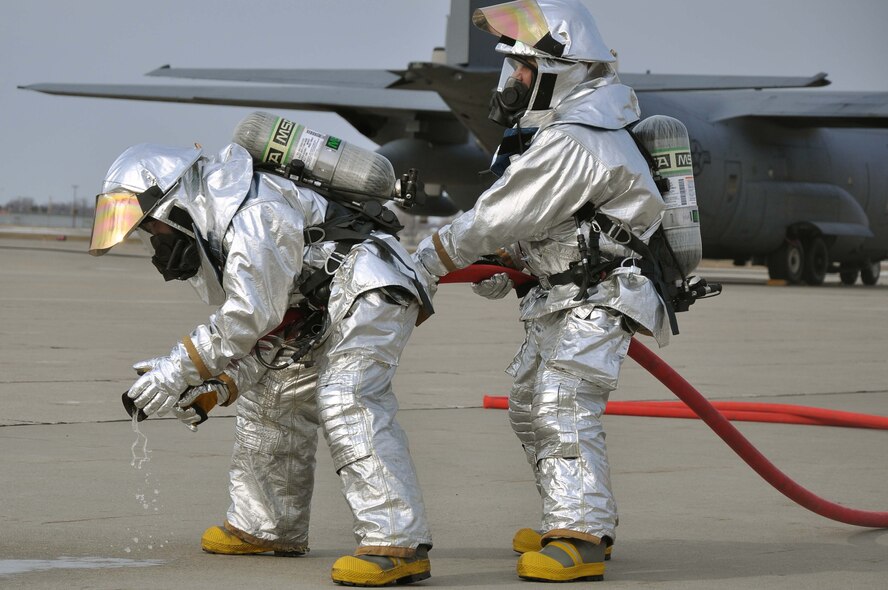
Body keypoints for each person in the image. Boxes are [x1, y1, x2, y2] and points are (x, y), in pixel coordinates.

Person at [89, 141, 435, 586]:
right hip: (318, 301)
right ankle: (267, 525)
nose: (154, 239)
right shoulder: (223, 218)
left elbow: (249, 318)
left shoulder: (251, 213)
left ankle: (397, 542)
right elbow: (268, 329)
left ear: (174, 203)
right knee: (273, 399)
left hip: (371, 288)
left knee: (347, 398)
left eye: (151, 226)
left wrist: (176, 371)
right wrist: (219, 385)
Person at [412, 0, 670, 582]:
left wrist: (422, 264)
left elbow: (493, 218)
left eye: (525, 69)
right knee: (529, 406)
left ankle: (580, 534)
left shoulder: (576, 141)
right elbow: (544, 229)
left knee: (561, 403)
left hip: (599, 295)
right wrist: (512, 262)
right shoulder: (558, 135)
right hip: (563, 293)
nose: (514, 80)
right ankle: (573, 516)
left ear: (560, 73)